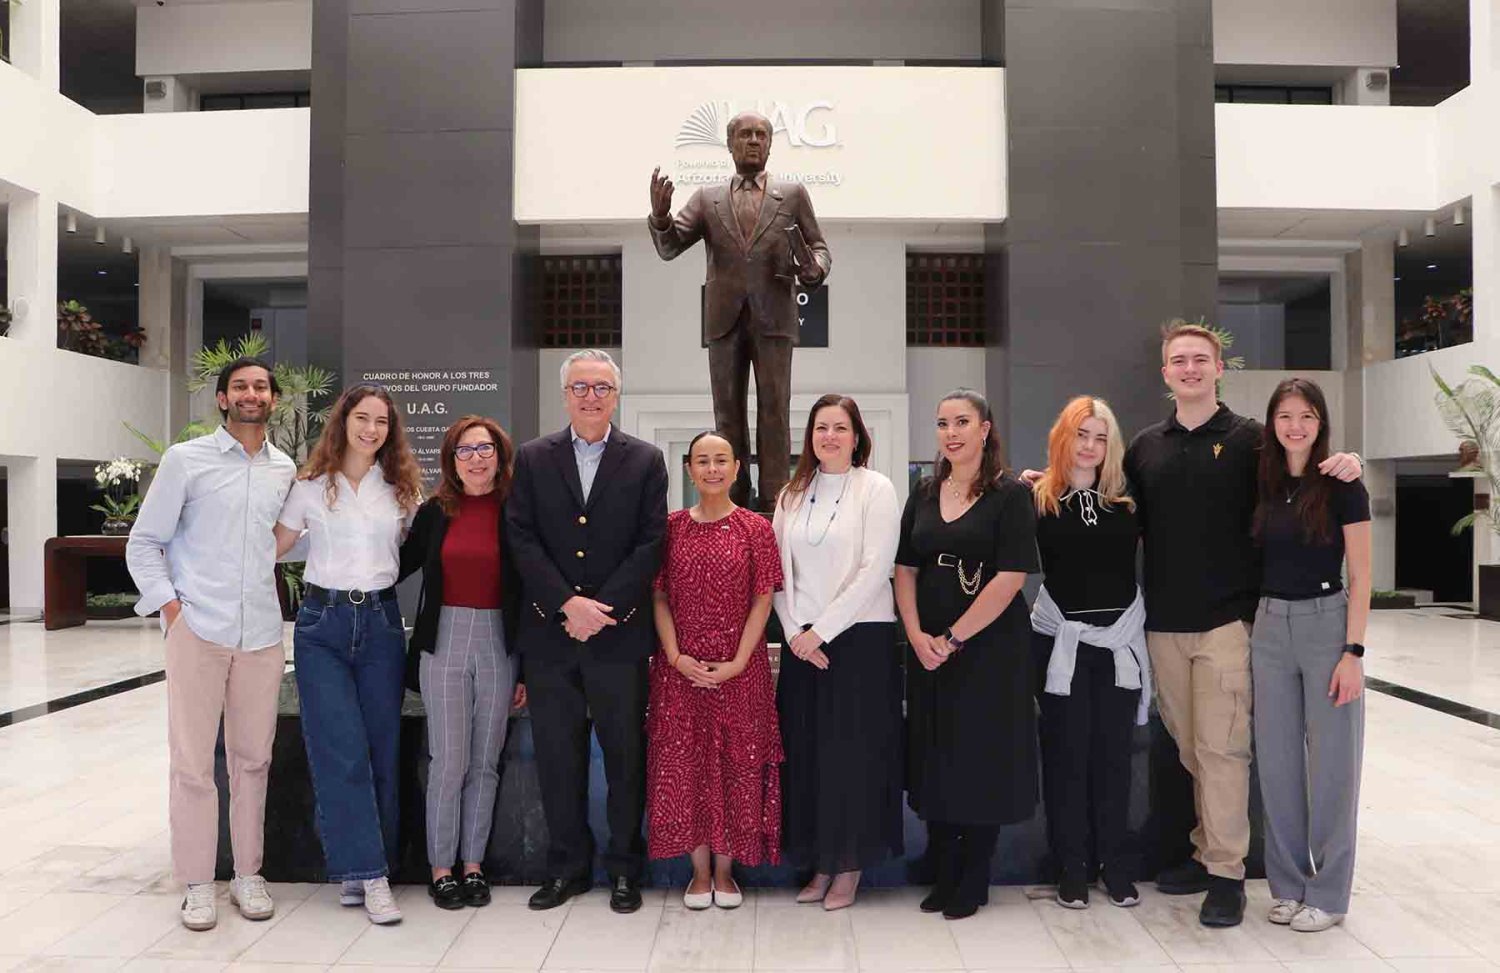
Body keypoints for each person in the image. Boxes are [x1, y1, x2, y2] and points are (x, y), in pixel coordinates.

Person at [1121, 321, 1361, 928]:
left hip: (1232, 621)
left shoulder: (1255, 441)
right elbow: (1123, 515)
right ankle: (1209, 851)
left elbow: (1308, 465)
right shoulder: (1145, 445)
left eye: (1202, 359)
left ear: (1219, 368)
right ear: (1166, 372)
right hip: (1164, 624)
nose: (1191, 368)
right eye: (1179, 360)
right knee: (1192, 746)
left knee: (1223, 749)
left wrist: (1349, 460)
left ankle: (1227, 875)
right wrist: (1038, 486)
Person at [127, 357, 296, 932]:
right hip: (198, 630)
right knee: (194, 765)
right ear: (223, 399)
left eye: (261, 387)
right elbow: (144, 541)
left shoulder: (284, 468)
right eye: (241, 387)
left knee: (254, 760)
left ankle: (247, 875)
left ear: (275, 399)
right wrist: (173, 611)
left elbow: (279, 544)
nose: (252, 394)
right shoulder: (186, 461)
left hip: (262, 636)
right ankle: (198, 883)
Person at [506, 349, 669, 914]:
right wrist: (565, 605)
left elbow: (651, 543)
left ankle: (626, 870)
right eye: (580, 387)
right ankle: (566, 870)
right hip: (550, 642)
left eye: (601, 387)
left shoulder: (646, 460)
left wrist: (599, 609)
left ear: (616, 395)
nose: (591, 396)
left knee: (625, 761)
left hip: (619, 639)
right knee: (558, 759)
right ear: (565, 394)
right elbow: (521, 538)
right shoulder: (531, 457)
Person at [273, 384, 424, 925]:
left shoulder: (403, 490)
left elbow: (413, 553)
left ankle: (364, 868)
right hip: (322, 624)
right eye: (363, 418)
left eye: (381, 422)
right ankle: (370, 872)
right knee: (339, 747)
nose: (371, 429)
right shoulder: (311, 487)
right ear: (343, 422)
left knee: (382, 747)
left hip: (382, 624)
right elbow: (275, 546)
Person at [895, 389, 1039, 921]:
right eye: (942, 423)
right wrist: (915, 635)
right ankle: (942, 864)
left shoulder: (1009, 496)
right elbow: (905, 567)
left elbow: (1010, 578)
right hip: (927, 647)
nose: (951, 432)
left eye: (962, 422)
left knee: (981, 757)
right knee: (935, 753)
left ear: (985, 429)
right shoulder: (925, 491)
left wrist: (954, 638)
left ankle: (972, 874)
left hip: (988, 650)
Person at [648, 110, 832, 509]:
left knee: (774, 413)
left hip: (775, 317)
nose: (754, 141)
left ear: (769, 144)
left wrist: (814, 267)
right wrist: (661, 218)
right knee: (727, 415)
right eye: (746, 135)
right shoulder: (706, 198)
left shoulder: (794, 193)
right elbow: (669, 247)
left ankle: (774, 503)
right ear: (730, 144)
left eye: (762, 135)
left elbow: (819, 248)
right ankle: (732, 502)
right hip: (724, 318)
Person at [772, 394, 903, 911]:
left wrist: (821, 630)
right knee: (807, 757)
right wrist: (795, 632)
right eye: (821, 427)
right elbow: (776, 572)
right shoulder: (791, 493)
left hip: (859, 640)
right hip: (802, 642)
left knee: (854, 758)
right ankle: (820, 863)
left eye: (840, 428)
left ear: (856, 436)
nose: (830, 436)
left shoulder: (877, 488)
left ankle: (848, 869)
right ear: (810, 436)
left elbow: (876, 567)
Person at [1250, 378, 1369, 933]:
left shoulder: (1343, 483)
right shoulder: (1264, 481)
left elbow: (1363, 574)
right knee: (1276, 765)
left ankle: (1329, 893)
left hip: (1327, 626)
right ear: (1272, 423)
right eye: (1285, 416)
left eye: (1307, 417)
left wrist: (1354, 651)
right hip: (1269, 626)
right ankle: (1289, 884)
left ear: (1321, 423)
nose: (1295, 426)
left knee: (1333, 766)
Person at [648, 431, 784, 909]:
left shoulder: (755, 529)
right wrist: (676, 655)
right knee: (685, 768)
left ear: (737, 467)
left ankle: (727, 872)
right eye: (702, 461)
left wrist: (739, 662)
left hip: (739, 671)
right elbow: (659, 596)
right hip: (679, 672)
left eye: (720, 460)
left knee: (736, 768)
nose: (712, 469)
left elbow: (763, 597)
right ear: (689, 469)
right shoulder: (670, 528)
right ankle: (699, 872)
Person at [398, 415, 527, 910]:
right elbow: (394, 564)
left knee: (484, 762)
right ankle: (441, 869)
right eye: (465, 450)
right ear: (452, 460)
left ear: (500, 454)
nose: (476, 458)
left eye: (485, 448)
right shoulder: (435, 512)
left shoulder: (518, 511)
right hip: (444, 641)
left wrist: (530, 669)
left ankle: (473, 866)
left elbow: (532, 588)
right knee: (448, 761)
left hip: (500, 642)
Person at [1028, 396, 1151, 910]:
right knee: (1066, 760)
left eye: (1101, 437)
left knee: (1114, 761)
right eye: (1083, 434)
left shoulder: (1129, 501)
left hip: (1119, 644)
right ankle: (1071, 868)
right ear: (1064, 437)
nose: (1091, 446)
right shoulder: (1036, 498)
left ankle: (1115, 866)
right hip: (1061, 645)